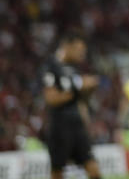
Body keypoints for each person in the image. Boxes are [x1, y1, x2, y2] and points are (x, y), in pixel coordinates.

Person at [42, 32, 102, 179]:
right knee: (58, 172)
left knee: (94, 170)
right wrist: (80, 86)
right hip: (60, 128)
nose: (82, 54)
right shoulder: (51, 67)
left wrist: (88, 90)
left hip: (78, 127)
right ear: (66, 47)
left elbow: (79, 100)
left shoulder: (73, 69)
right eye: (79, 50)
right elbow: (51, 99)